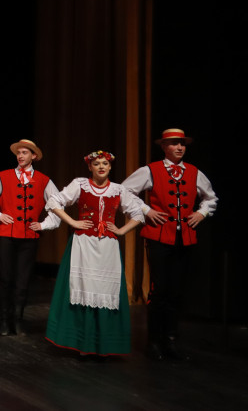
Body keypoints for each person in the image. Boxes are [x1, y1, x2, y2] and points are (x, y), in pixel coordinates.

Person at [121, 128, 218, 360]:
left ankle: (171, 341)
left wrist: (202, 214)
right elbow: (124, 191)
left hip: (184, 237)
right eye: (174, 143)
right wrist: (146, 210)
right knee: (159, 289)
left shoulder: (194, 172)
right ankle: (154, 342)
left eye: (182, 143)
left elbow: (211, 197)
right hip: (158, 237)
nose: (179, 147)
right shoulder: (151, 170)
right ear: (164, 147)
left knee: (176, 291)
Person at [45, 151, 145, 356]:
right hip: (84, 244)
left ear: (110, 167)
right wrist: (72, 222)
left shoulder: (118, 190)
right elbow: (54, 201)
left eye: (105, 163)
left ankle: (103, 344)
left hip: (107, 247)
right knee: (82, 288)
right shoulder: (80, 185)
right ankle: (83, 343)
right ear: (90, 167)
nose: (101, 166)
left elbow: (137, 213)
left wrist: (122, 230)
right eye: (97, 163)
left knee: (104, 290)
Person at [0, 139, 61, 335]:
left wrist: (43, 224)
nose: (21, 155)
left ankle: (18, 320)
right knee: (6, 278)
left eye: (25, 152)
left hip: (29, 237)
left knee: (23, 280)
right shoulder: (2, 176)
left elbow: (59, 208)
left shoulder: (44, 180)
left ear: (34, 156)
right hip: (6, 234)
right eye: (19, 152)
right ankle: (4, 321)